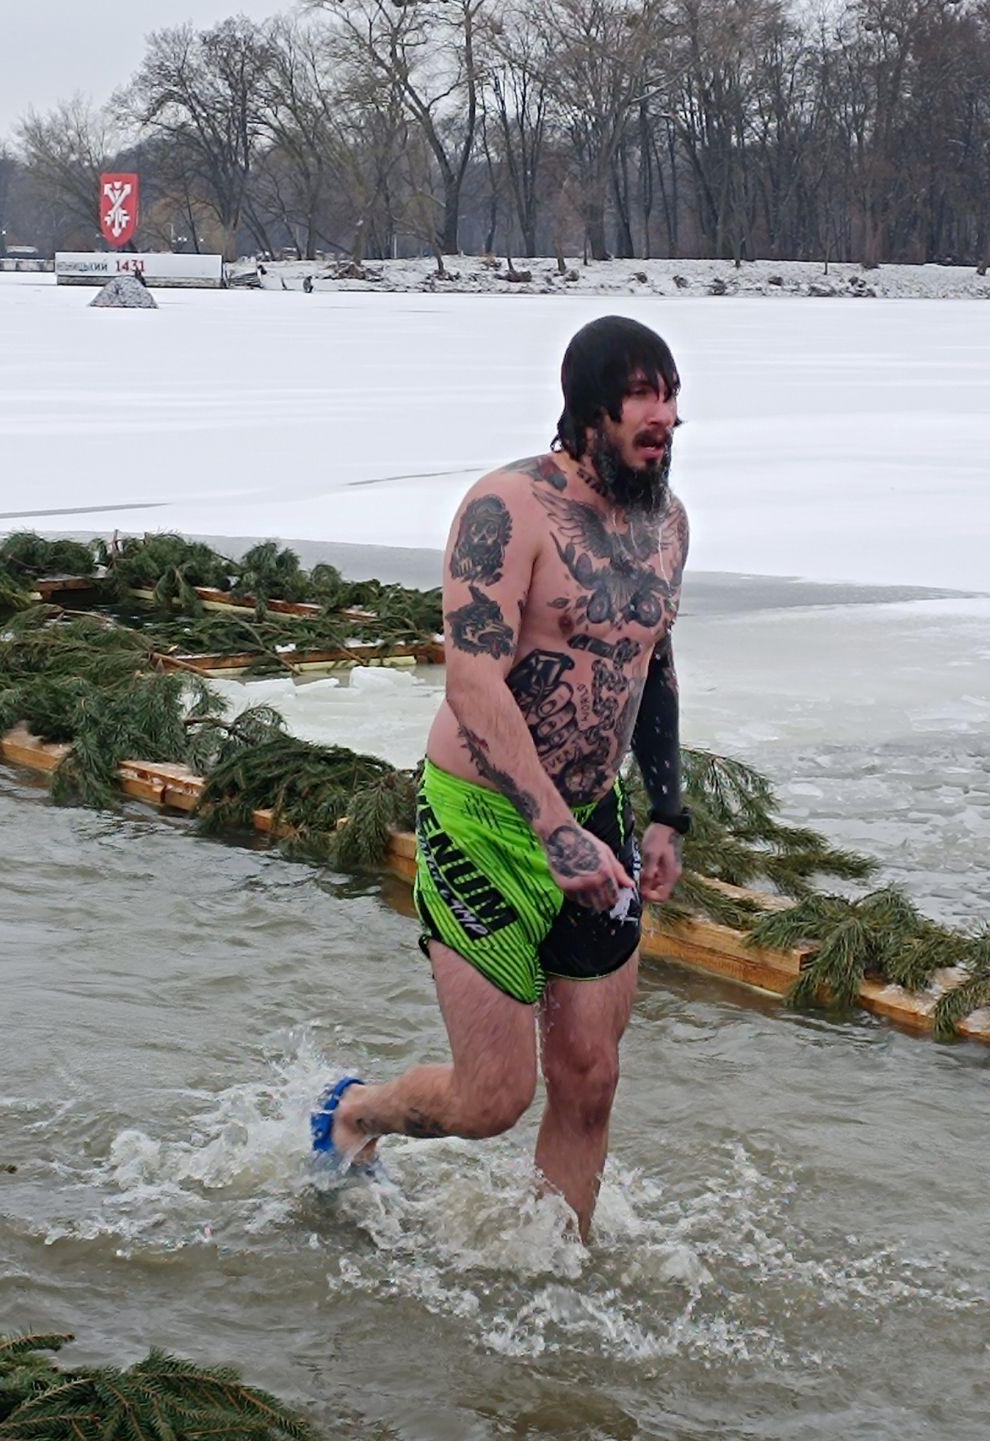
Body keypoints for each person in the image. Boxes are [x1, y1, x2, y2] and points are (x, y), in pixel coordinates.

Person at [311, 317, 691, 1242]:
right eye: (643, 395)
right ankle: (353, 1111)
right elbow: (473, 681)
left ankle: (554, 1263)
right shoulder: (505, 510)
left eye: (673, 396)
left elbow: (652, 661)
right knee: (493, 1097)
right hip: (482, 817)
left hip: (596, 819)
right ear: (589, 405)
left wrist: (665, 809)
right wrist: (551, 827)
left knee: (590, 1077)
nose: (666, 417)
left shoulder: (667, 526)